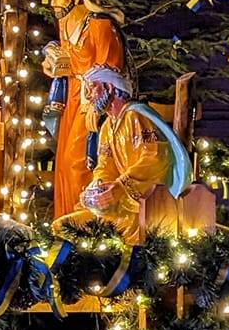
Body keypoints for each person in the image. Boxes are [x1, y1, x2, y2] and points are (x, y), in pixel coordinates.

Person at [38, 0, 126, 219]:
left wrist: (96, 107)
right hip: (71, 100)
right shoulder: (65, 21)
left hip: (93, 102)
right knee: (64, 165)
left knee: (80, 163)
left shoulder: (100, 25)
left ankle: (84, 221)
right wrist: (51, 63)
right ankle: (65, 220)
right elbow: (67, 58)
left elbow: (110, 71)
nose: (54, 2)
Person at [74, 65, 176, 237]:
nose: (89, 96)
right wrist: (98, 189)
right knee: (64, 225)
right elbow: (105, 165)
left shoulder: (137, 116)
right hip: (120, 205)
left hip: (144, 206)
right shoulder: (107, 126)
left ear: (109, 87)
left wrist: (121, 186)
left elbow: (155, 158)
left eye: (92, 88)